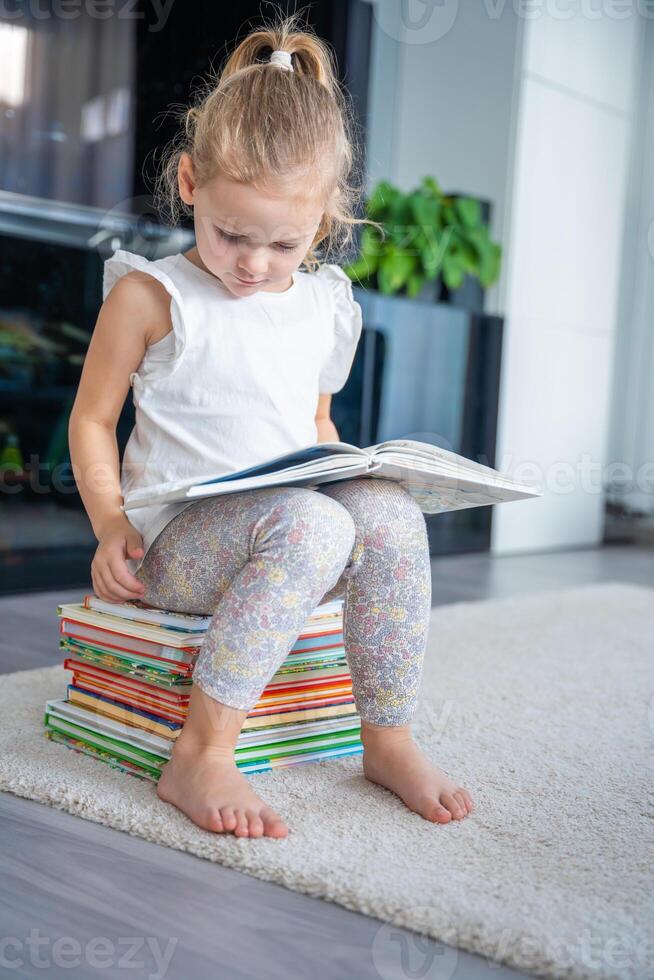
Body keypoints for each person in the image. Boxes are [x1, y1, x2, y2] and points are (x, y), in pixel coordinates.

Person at [68, 12, 473, 839]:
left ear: (324, 221)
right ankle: (203, 750)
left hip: (291, 524)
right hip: (179, 545)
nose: (253, 262)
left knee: (386, 514)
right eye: (230, 234)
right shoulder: (152, 296)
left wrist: (350, 464)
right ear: (188, 183)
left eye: (284, 243)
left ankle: (386, 737)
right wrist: (110, 523)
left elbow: (314, 420)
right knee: (313, 525)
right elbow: (92, 418)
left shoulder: (322, 306)